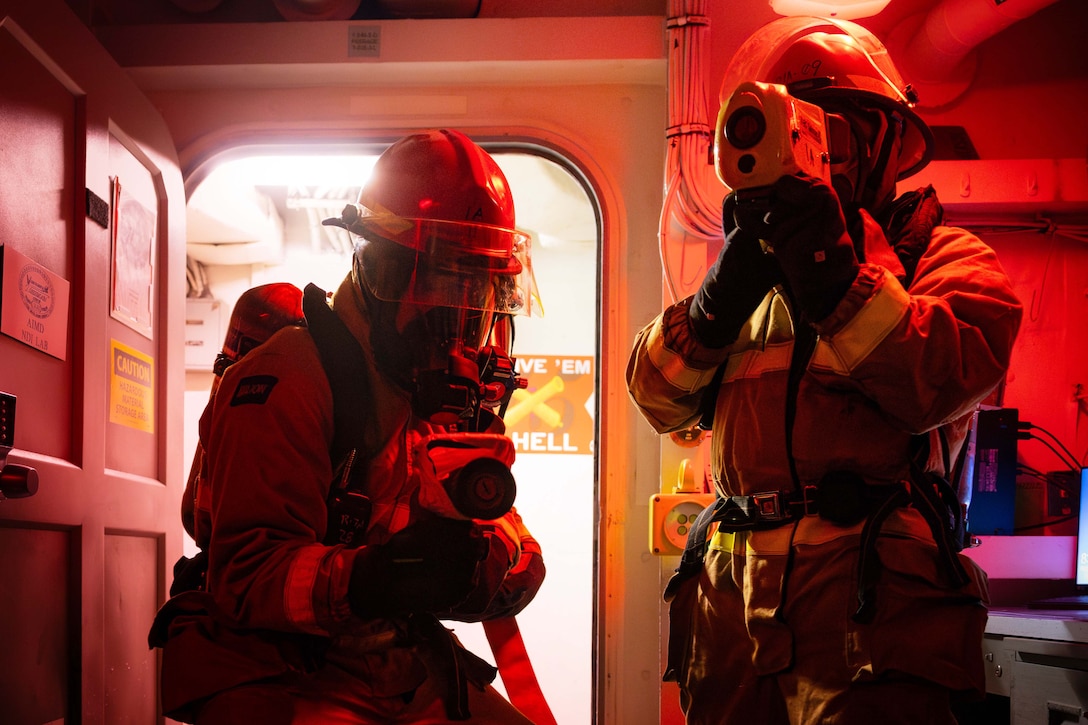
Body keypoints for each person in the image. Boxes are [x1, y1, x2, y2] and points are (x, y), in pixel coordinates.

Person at [626, 17, 1022, 725]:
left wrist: (842, 280)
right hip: (732, 607)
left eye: (839, 132)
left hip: (874, 609)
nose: (817, 151)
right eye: (802, 126)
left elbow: (945, 375)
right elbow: (656, 399)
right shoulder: (741, 275)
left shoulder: (942, 257)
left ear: (887, 148)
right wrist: (716, 305)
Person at [151, 129, 546, 724]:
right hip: (274, 660)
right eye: (442, 280)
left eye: (479, 285)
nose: (462, 313)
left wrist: (463, 569)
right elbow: (248, 578)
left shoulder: (434, 390)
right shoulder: (287, 377)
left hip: (389, 658)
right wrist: (375, 579)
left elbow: (517, 552)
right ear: (382, 270)